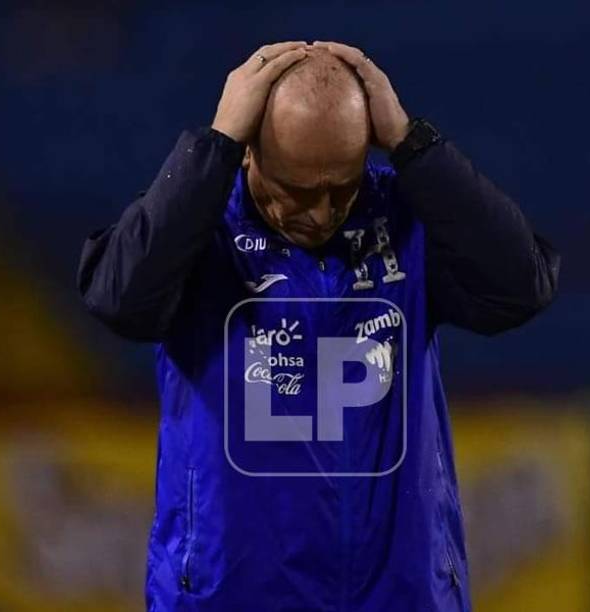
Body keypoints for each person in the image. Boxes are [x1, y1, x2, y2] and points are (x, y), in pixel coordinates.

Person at [78, 40, 559, 612]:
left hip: (398, 597)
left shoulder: (406, 220)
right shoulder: (197, 226)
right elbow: (118, 298)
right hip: (228, 599)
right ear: (250, 153)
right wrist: (215, 145)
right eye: (299, 191)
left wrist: (413, 144)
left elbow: (520, 287)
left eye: (343, 187)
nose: (323, 213)